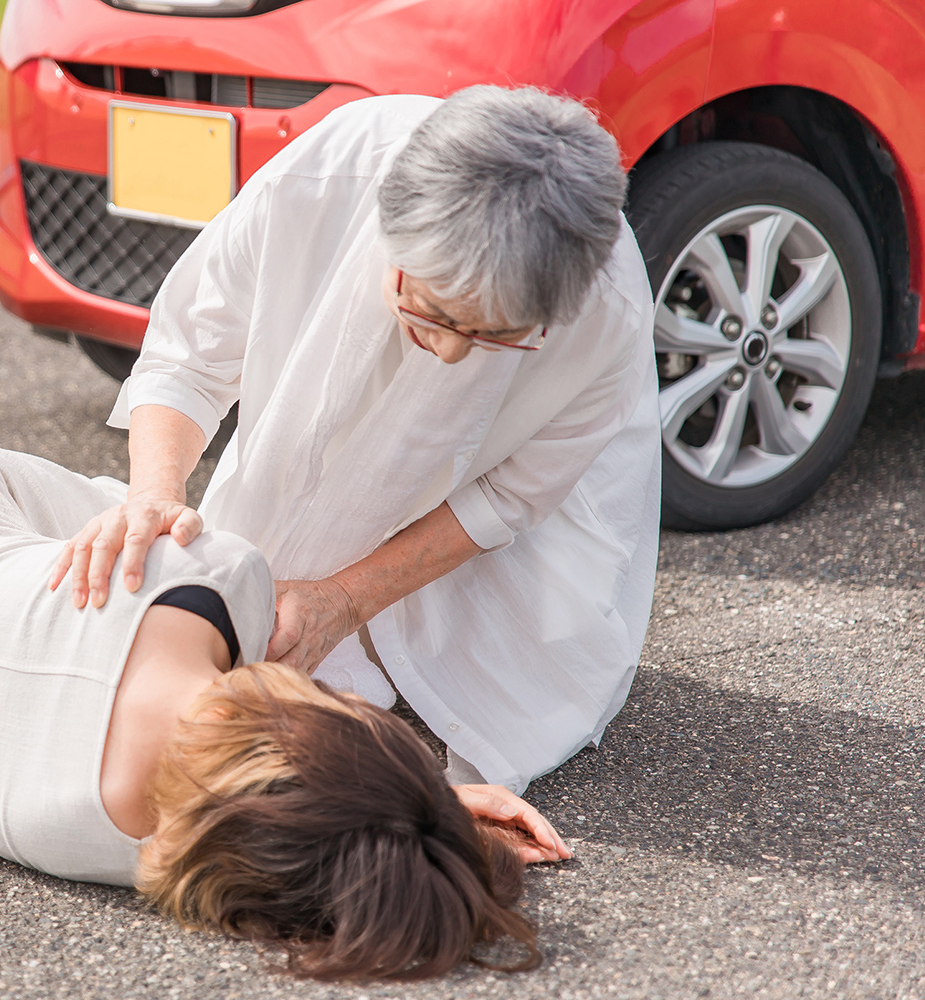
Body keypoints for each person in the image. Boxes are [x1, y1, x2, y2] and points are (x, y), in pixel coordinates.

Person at [0, 421, 572, 980]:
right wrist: (409, 822)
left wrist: (415, 797)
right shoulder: (114, 854)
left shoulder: (220, 575)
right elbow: (295, 830)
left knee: (126, 529)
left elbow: (301, 749)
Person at [52, 86, 662, 793]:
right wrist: (154, 493)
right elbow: (192, 353)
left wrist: (346, 598)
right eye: (431, 312)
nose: (452, 354)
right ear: (389, 236)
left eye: (496, 336)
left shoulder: (606, 309)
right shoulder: (326, 179)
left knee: (519, 675)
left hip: (511, 491)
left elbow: (508, 495)